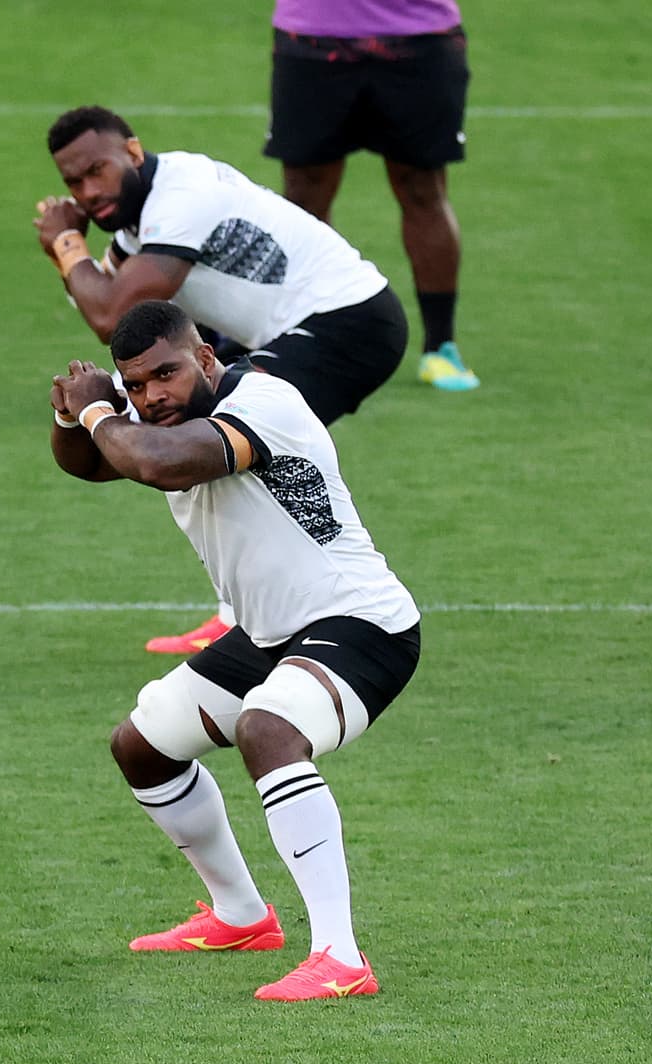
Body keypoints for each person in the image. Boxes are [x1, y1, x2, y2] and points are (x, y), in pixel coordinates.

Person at [54, 301, 421, 1004]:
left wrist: (105, 414)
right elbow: (91, 466)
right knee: (144, 745)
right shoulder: (157, 423)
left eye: (166, 373)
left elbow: (159, 465)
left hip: (361, 623)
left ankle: (340, 957)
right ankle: (242, 916)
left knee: (270, 728)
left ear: (205, 358)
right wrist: (75, 417)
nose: (153, 395)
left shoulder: (264, 402)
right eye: (136, 384)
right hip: (269, 634)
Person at [37, 103, 405, 657]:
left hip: (346, 321)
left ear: (133, 152)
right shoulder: (139, 226)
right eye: (74, 183)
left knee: (206, 443)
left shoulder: (181, 196)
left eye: (98, 171)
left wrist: (67, 243)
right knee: (180, 423)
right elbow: (102, 304)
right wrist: (86, 415)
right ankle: (244, 616)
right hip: (270, 332)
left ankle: (252, 620)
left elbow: (109, 312)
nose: (88, 192)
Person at [267, 3, 478, 393]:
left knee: (421, 187)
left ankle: (440, 347)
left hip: (419, 37)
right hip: (312, 34)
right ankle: (296, 340)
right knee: (303, 195)